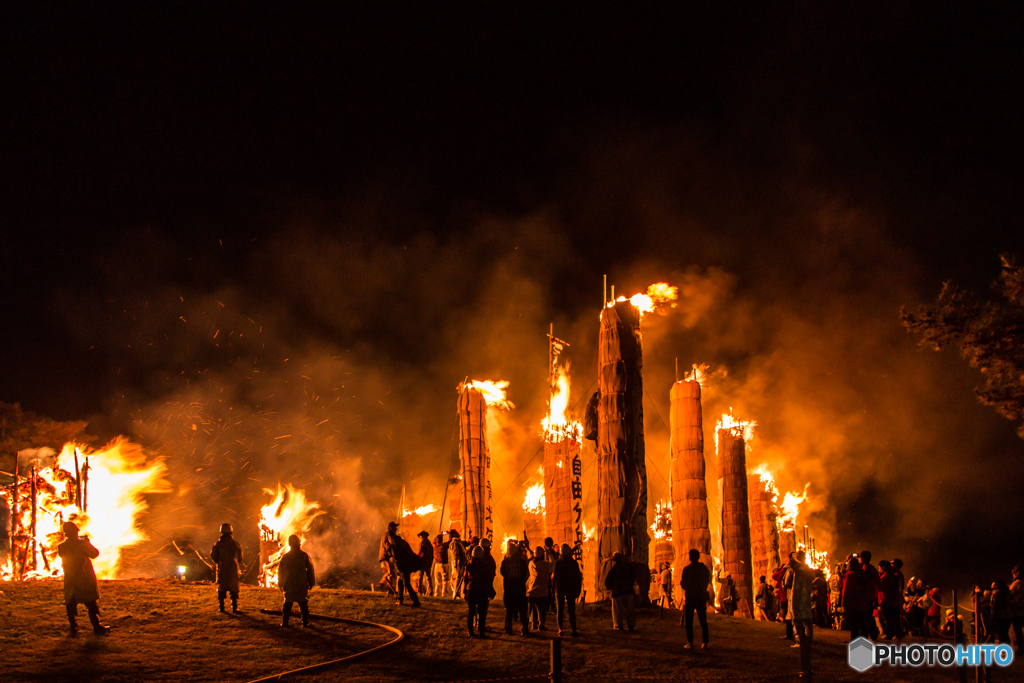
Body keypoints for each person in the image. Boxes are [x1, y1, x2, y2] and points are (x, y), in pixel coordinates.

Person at [57, 521, 109, 635]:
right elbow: (94, 554)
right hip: (84, 577)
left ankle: (73, 628)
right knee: (91, 603)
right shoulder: (81, 545)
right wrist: (87, 543)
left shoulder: (61, 546)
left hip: (70, 578)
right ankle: (96, 626)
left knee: (71, 603)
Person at [278, 534, 316, 627]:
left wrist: (280, 583)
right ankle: (305, 622)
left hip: (289, 583)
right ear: (299, 543)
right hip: (301, 583)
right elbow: (310, 569)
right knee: (303, 603)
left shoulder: (286, 557)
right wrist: (311, 582)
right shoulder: (303, 556)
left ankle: (285, 622)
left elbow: (281, 571)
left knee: (287, 603)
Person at [785, 550, 814, 670]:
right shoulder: (808, 570)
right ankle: (809, 641)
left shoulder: (792, 569)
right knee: (808, 621)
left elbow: (786, 583)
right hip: (806, 598)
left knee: (796, 621)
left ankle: (800, 641)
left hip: (796, 598)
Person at [680, 549, 711, 649]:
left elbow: (683, 583)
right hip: (700, 597)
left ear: (690, 557)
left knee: (689, 620)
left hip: (690, 596)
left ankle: (690, 642)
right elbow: (707, 579)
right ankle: (705, 642)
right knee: (703, 620)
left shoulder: (687, 569)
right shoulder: (704, 569)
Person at [211, 522, 243, 613]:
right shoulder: (236, 544)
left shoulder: (218, 544)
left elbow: (214, 556)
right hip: (233, 569)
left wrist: (219, 562)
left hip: (223, 569)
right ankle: (234, 607)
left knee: (222, 588)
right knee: (234, 589)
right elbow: (240, 557)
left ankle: (222, 607)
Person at [552, 543, 582, 636]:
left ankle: (560, 629)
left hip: (560, 588)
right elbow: (578, 577)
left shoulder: (558, 563)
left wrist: (553, 589)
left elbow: (554, 577)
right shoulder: (574, 563)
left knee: (560, 610)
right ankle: (573, 629)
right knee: (571, 609)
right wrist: (578, 590)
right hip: (570, 588)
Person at [501, 539, 530, 635]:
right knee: (522, 610)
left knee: (509, 611)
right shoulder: (522, 561)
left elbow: (503, 573)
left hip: (509, 588)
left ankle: (508, 629)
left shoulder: (505, 562)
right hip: (520, 588)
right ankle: (524, 629)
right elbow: (526, 573)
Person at [465, 545, 496, 637]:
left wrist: (464, 590)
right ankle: (481, 632)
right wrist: (490, 591)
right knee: (482, 612)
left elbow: (465, 578)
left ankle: (471, 632)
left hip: (471, 589)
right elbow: (488, 579)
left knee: (471, 612)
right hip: (482, 590)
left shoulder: (469, 565)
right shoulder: (485, 565)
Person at [605, 551, 637, 631]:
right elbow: (634, 576)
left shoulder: (613, 569)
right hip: (629, 590)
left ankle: (618, 625)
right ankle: (631, 625)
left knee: (617, 610)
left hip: (618, 592)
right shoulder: (629, 567)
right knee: (630, 609)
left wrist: (609, 587)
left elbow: (608, 581)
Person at [841, 557, 871, 640]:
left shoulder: (850, 575)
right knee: (861, 621)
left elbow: (847, 590)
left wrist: (844, 603)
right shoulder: (862, 573)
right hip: (862, 602)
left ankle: (854, 638)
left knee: (853, 621)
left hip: (853, 602)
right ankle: (864, 638)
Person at [391, 531, 422, 607]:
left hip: (403, 565)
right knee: (400, 582)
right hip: (407, 564)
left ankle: (416, 601)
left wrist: (399, 566)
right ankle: (400, 599)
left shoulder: (395, 544)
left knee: (406, 583)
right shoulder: (403, 542)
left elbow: (396, 556)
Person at [527, 545, 552, 630]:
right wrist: (549, 554)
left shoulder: (531, 563)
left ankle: (533, 624)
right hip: (542, 590)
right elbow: (553, 564)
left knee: (533, 608)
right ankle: (541, 624)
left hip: (531, 589)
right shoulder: (545, 564)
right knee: (542, 609)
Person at [877, 560, 903, 640]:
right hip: (891, 599)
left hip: (888, 599)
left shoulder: (887, 575)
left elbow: (882, 586)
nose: (879, 569)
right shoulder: (892, 574)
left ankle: (891, 634)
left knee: (889, 618)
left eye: (879, 568)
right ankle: (896, 634)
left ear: (883, 567)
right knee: (892, 617)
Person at [860, 550, 881, 639]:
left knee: (866, 615)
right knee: (868, 615)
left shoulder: (865, 568)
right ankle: (871, 634)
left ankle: (872, 633)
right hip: (870, 595)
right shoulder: (872, 568)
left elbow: (863, 582)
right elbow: (878, 582)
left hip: (865, 596)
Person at [772, 559, 794, 639]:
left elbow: (777, 578)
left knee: (789, 615)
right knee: (789, 615)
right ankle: (791, 634)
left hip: (788, 596)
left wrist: (782, 569)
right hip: (788, 596)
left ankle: (791, 635)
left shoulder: (788, 571)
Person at [991, 579, 1013, 645]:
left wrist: (992, 617)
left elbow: (994, 606)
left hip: (999, 616)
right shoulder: (1008, 592)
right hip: (1008, 616)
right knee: (1006, 632)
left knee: (1001, 633)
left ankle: (1003, 650)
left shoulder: (996, 593)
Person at [378, 521, 398, 595]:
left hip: (385, 556)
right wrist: (394, 554)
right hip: (387, 557)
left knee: (389, 573)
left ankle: (384, 584)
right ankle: (388, 588)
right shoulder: (389, 535)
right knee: (391, 573)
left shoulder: (385, 534)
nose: (396, 528)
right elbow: (389, 546)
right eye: (395, 527)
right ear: (390, 527)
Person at [1010, 565, 1023, 655]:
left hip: (1018, 611)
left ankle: (1021, 649)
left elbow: (1009, 595)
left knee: (1018, 631)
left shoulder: (1017, 583)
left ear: (1017, 573)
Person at [449, 530, 467, 599]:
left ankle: (457, 593)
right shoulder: (454, 543)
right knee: (457, 577)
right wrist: (456, 562)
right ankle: (456, 593)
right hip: (457, 562)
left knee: (459, 577)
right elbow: (455, 553)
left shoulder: (458, 542)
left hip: (460, 562)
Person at [415, 531, 433, 597]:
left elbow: (421, 552)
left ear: (421, 536)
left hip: (422, 563)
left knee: (420, 577)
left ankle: (420, 591)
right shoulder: (429, 543)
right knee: (429, 577)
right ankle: (430, 592)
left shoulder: (422, 542)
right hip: (428, 563)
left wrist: (417, 559)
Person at [432, 533, 450, 598]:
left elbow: (433, 541)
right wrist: (448, 534)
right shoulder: (444, 546)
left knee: (437, 580)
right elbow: (450, 541)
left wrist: (439, 535)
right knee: (445, 580)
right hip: (444, 564)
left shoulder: (434, 546)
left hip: (436, 565)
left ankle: (437, 593)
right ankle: (444, 594)